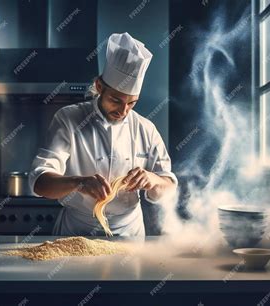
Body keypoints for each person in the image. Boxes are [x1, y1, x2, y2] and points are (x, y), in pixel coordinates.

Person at [29, 32, 177, 236]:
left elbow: (168, 187)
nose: (123, 111)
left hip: (129, 233)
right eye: (116, 100)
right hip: (77, 233)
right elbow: (40, 183)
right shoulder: (68, 118)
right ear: (99, 87)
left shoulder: (145, 128)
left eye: (131, 103)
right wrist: (78, 183)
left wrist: (153, 179)